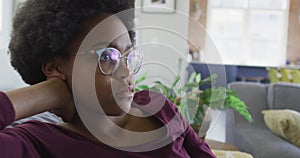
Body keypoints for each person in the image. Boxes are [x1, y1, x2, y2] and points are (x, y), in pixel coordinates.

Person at [0, 0, 216, 157]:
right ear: (55, 68)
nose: (125, 72)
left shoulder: (157, 106)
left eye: (127, 56)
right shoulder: (36, 141)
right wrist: (47, 93)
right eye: (106, 56)